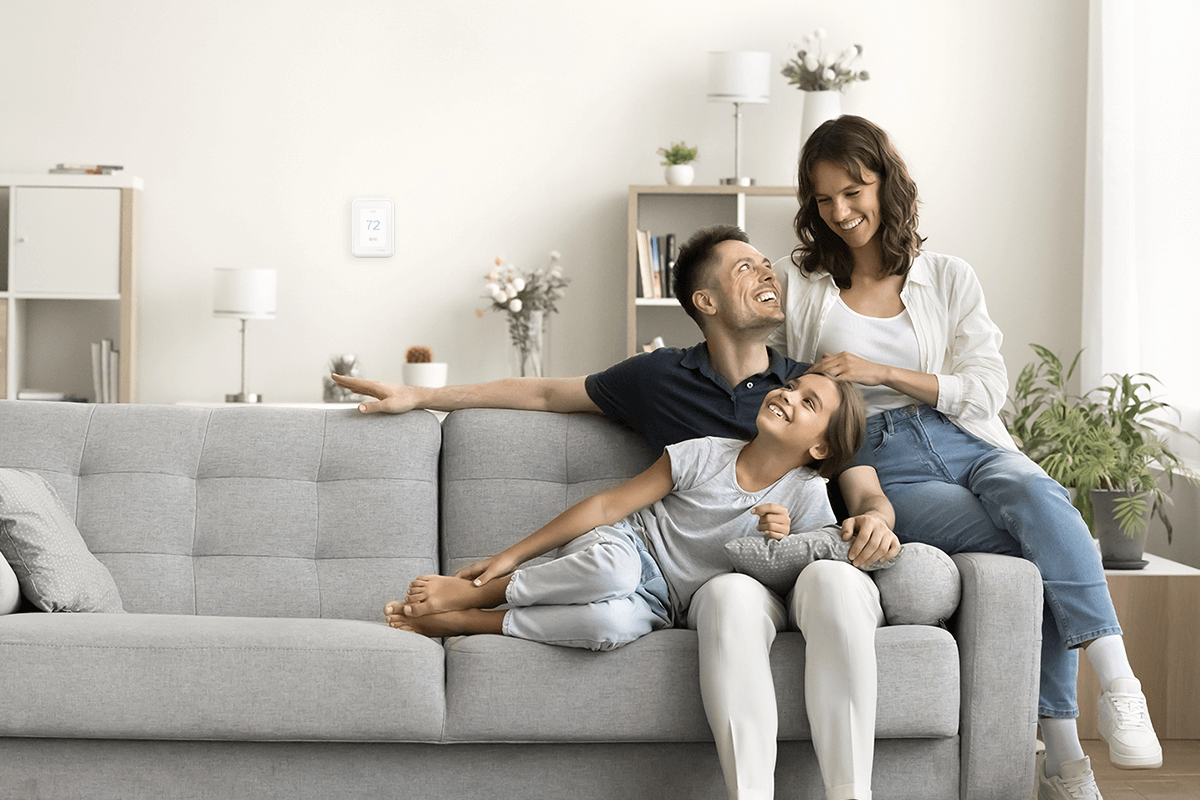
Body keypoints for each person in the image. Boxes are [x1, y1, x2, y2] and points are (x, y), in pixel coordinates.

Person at [333, 225, 901, 800]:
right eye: (745, 268)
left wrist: (876, 517)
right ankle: (486, 594)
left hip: (762, 576)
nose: (768, 273)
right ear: (705, 302)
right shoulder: (658, 378)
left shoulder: (810, 388)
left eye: (765, 264)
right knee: (630, 579)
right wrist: (423, 396)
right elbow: (546, 395)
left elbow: (860, 485)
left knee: (621, 617)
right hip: (685, 579)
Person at [767, 114, 1161, 800]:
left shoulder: (947, 276)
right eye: (824, 198)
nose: (840, 211)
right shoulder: (803, 285)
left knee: (1044, 500)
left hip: (963, 432)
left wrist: (882, 371)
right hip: (879, 457)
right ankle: (1066, 759)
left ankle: (1120, 682)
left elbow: (986, 388)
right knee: (1024, 549)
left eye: (853, 190)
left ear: (886, 182)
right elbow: (775, 375)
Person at [385, 371, 865, 654]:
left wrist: (780, 538)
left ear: (821, 445)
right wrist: (510, 557)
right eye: (791, 386)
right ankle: (480, 595)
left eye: (808, 402)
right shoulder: (704, 454)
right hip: (624, 545)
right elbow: (607, 505)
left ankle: (468, 624)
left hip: (664, 605)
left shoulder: (807, 494)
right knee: (612, 571)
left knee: (607, 628)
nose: (786, 394)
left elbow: (811, 559)